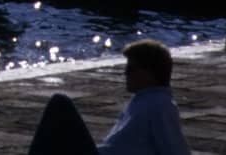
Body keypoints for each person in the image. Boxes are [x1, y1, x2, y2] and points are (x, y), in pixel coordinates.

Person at [21, 38, 189, 154]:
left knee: (60, 104)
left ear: (149, 73)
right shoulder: (143, 100)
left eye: (131, 69)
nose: (125, 73)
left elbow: (175, 149)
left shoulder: (160, 105)